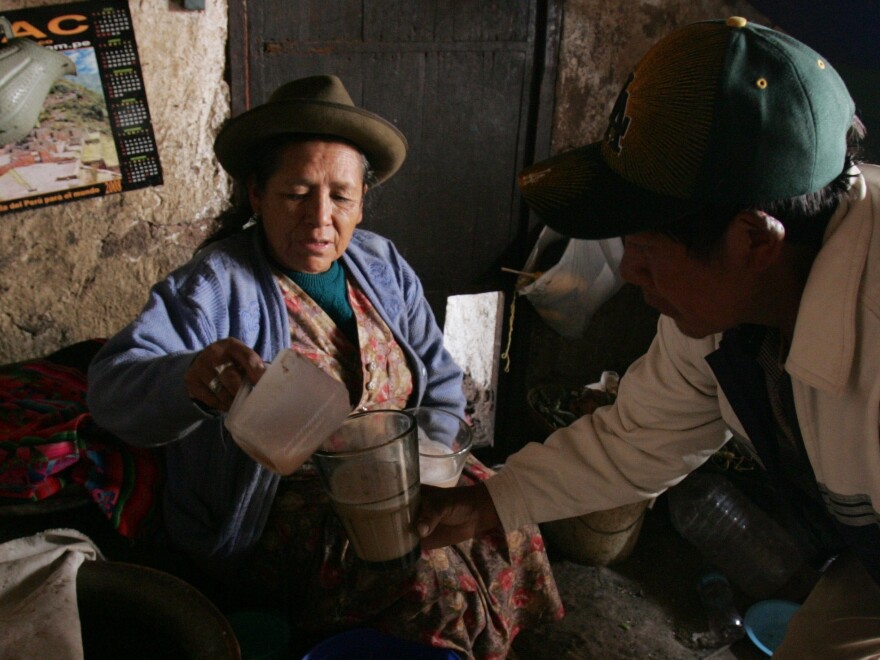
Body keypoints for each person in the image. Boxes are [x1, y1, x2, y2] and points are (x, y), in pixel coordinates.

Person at [417, 17, 880, 658]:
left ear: (754, 238)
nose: (630, 272)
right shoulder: (728, 313)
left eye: (647, 248)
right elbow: (641, 438)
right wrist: (485, 505)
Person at [87, 75, 562, 657]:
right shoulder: (215, 283)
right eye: (295, 193)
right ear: (257, 195)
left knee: (509, 517)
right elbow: (111, 386)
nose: (319, 219)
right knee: (425, 578)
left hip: (408, 471)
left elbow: (438, 375)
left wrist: (432, 467)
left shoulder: (380, 262)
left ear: (362, 201)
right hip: (281, 511)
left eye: (340, 195)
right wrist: (189, 377)